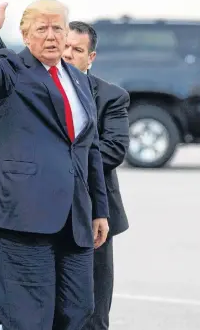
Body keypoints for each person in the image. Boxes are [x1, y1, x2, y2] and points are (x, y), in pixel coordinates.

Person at [0, 0, 109, 330]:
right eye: (42, 28)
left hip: (75, 220)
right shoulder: (12, 67)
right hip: (23, 218)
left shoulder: (78, 79)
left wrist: (99, 209)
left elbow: (89, 149)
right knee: (29, 319)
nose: (52, 36)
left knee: (79, 312)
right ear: (25, 35)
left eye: (58, 28)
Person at [62, 21, 130, 330]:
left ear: (90, 58)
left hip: (95, 213)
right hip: (46, 212)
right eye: (64, 47)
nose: (68, 55)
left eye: (77, 50)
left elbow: (114, 150)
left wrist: (61, 158)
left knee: (93, 311)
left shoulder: (111, 96)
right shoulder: (36, 88)